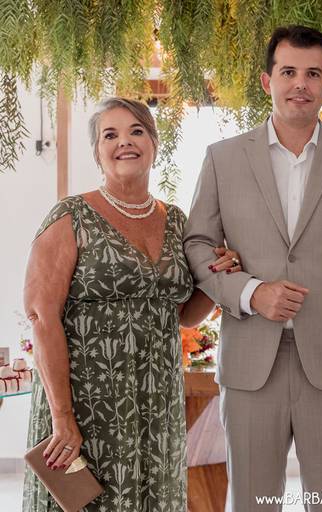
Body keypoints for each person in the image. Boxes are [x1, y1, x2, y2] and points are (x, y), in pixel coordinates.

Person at [183, 25, 322, 511]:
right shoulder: (222, 158)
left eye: (313, 74)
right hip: (249, 362)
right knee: (253, 503)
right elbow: (196, 245)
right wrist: (251, 292)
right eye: (288, 72)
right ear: (267, 81)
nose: (300, 83)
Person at [22, 97, 241, 511]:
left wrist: (217, 278)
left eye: (136, 131)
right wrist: (63, 416)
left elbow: (184, 316)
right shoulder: (71, 216)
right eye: (111, 135)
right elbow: (41, 316)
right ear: (97, 151)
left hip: (156, 404)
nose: (124, 141)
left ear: (154, 144)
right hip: (87, 403)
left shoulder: (176, 221)